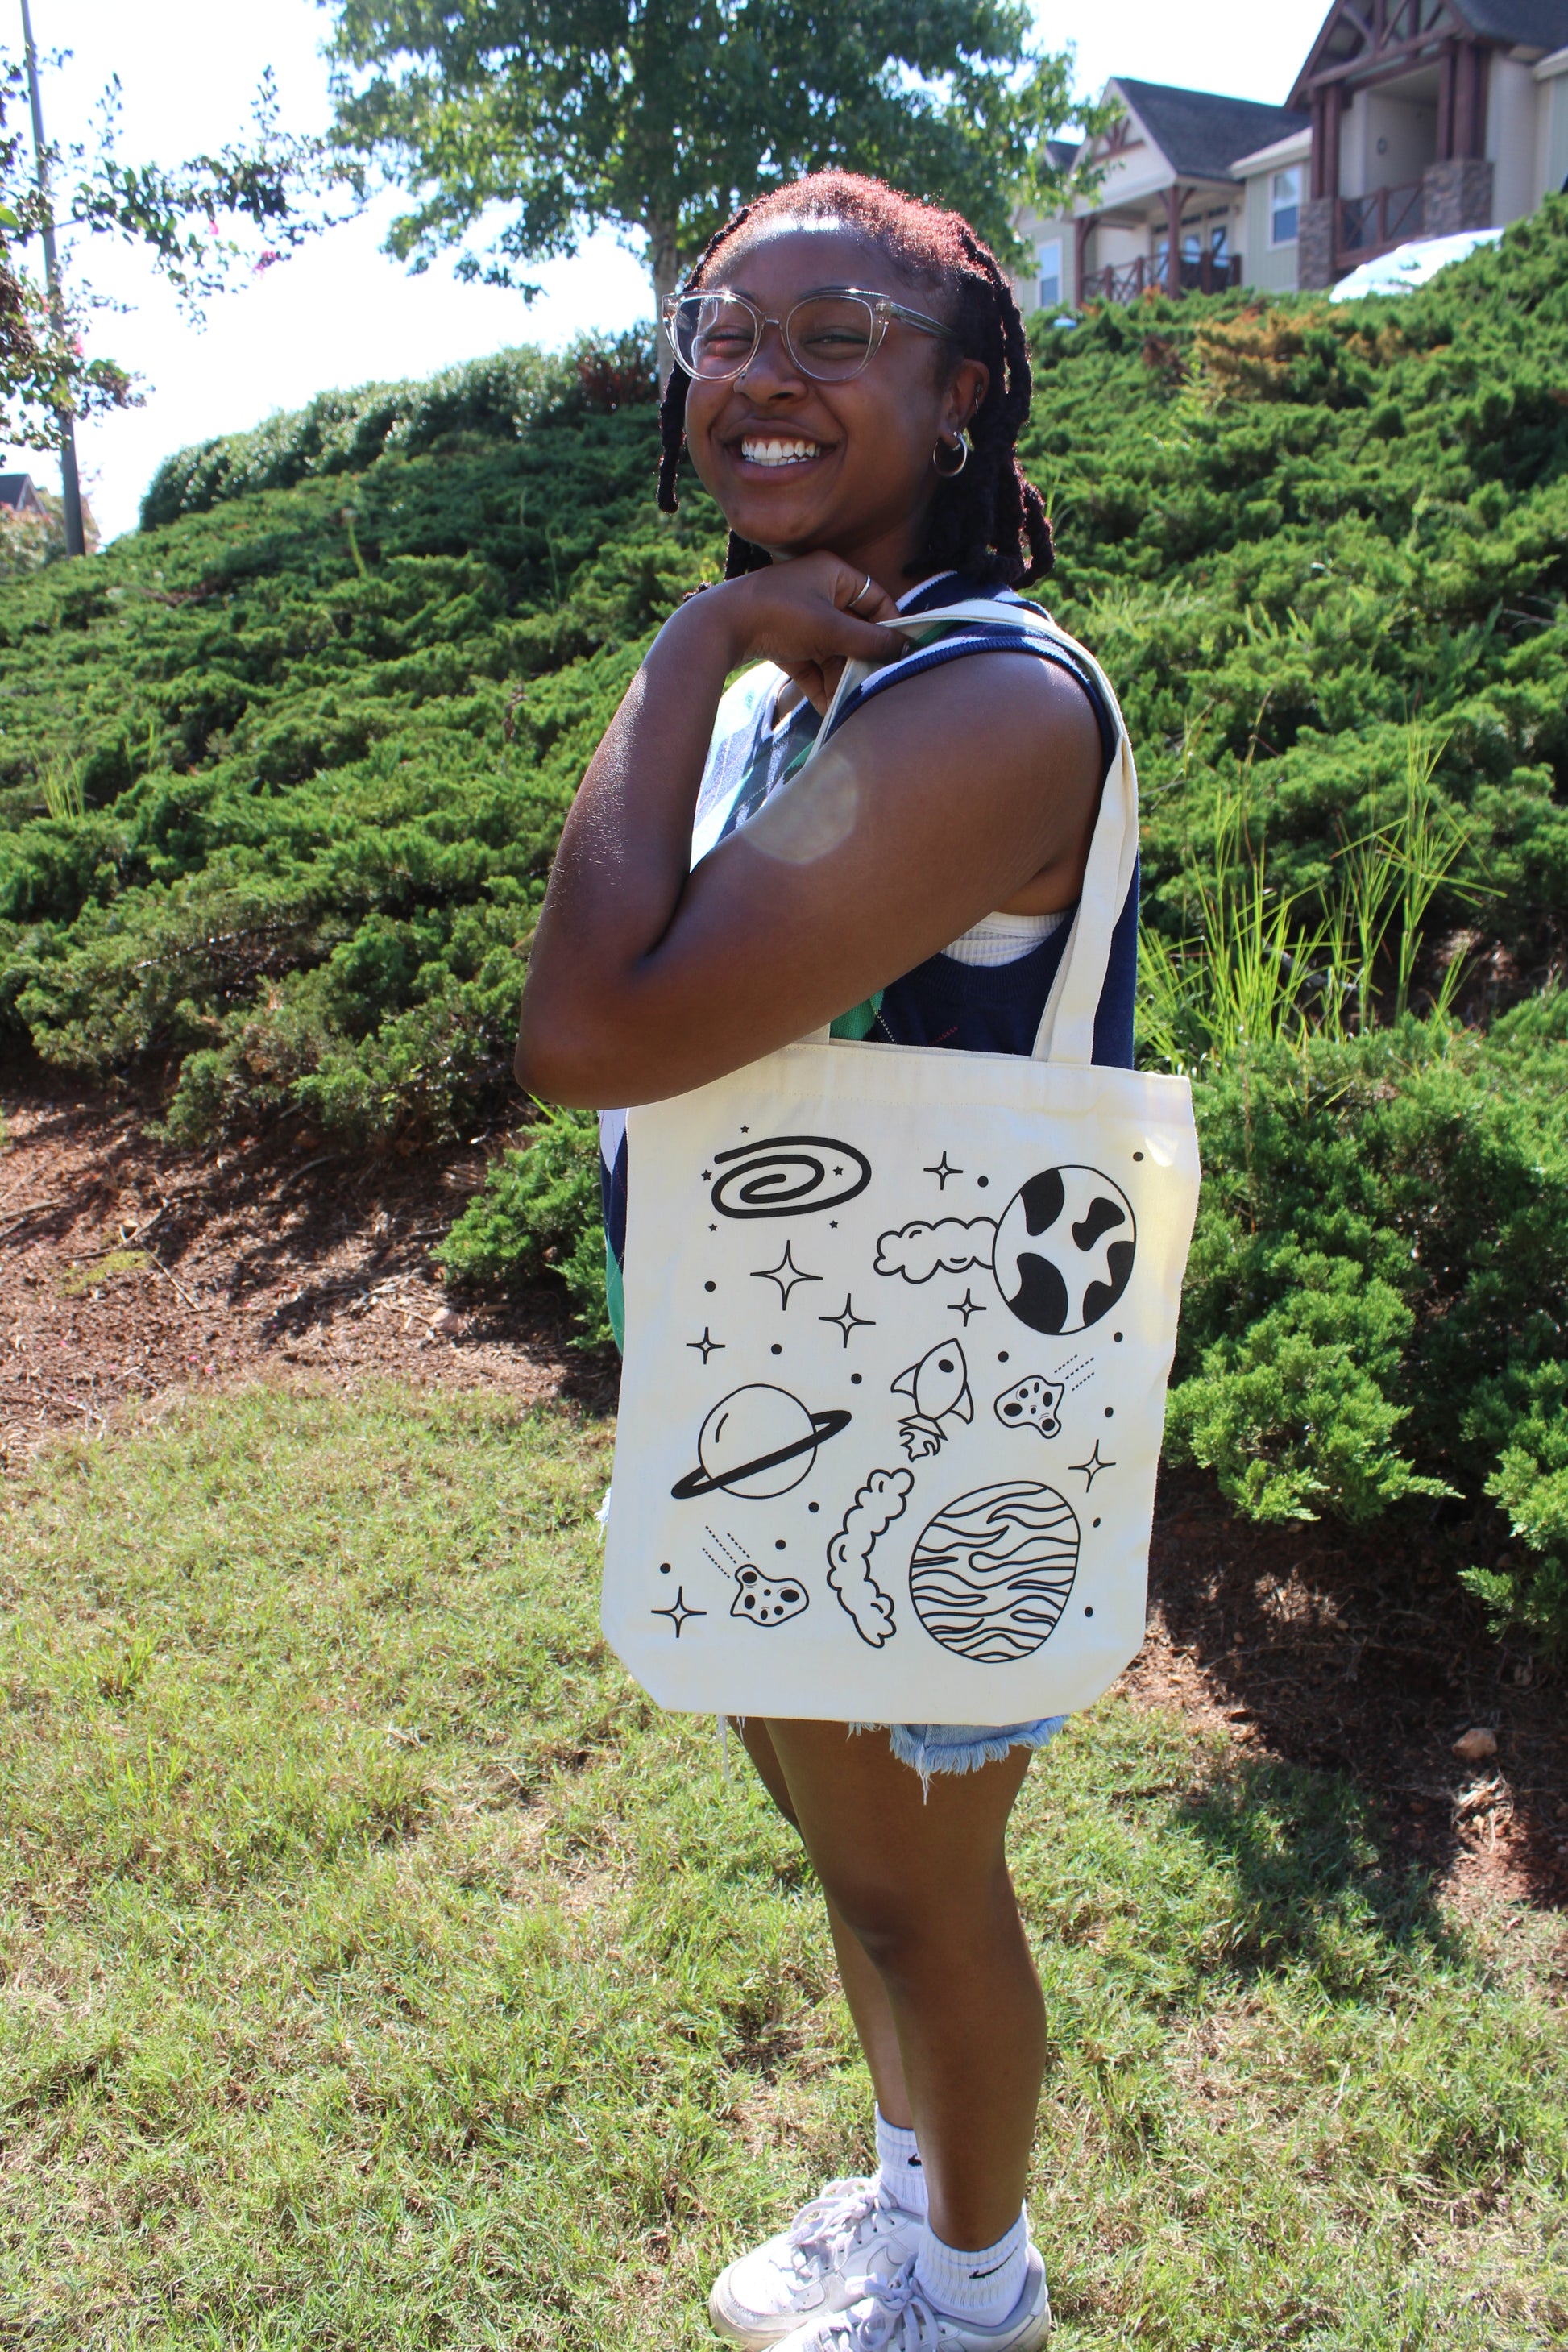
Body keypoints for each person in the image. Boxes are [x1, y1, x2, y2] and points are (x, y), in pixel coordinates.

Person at [516, 171, 1135, 2352]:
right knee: (847, 1866)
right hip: (778, 1399)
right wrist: (730, 652)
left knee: (912, 1886)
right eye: (727, 332)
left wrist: (685, 646)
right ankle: (908, 2204)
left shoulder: (980, 705)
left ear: (962, 392)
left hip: (926, 1424)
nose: (761, 379)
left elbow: (587, 1025)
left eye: (836, 336)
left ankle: (969, 2297)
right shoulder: (820, 662)